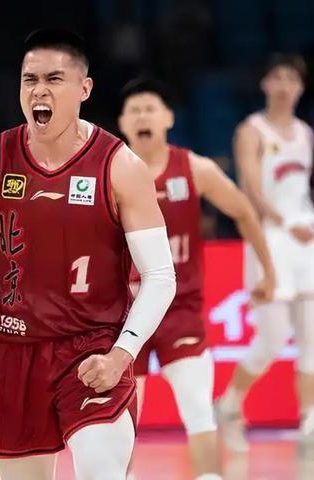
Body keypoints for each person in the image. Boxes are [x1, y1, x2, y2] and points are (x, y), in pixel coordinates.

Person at [0, 29, 176, 480]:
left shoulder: (119, 166)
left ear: (84, 89)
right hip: (14, 353)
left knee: (101, 470)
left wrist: (121, 355)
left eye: (54, 79)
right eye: (29, 79)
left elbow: (160, 276)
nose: (39, 90)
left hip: (92, 350)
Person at [118, 78, 275, 480]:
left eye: (150, 108)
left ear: (168, 118)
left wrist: (268, 271)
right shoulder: (110, 172)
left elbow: (243, 211)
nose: (142, 116)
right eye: (134, 110)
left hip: (179, 308)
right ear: (122, 122)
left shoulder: (194, 168)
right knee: (120, 419)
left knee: (198, 408)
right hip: (125, 311)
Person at [214, 54, 314, 459]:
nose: (284, 85)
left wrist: (305, 219)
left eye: (291, 78)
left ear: (301, 87)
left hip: (306, 241)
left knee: (311, 340)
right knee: (272, 338)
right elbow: (250, 190)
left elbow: (300, 189)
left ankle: (311, 428)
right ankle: (228, 403)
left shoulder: (306, 134)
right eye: (277, 77)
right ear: (264, 84)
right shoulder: (251, 131)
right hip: (269, 239)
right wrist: (286, 221)